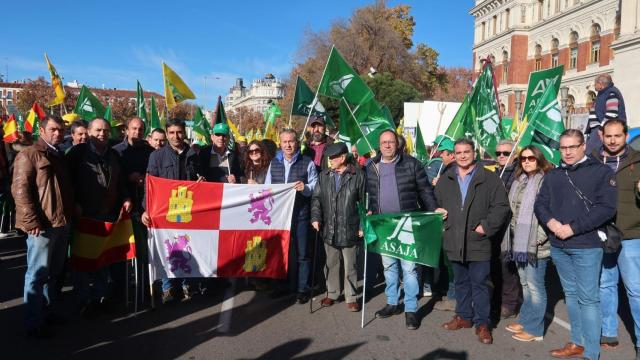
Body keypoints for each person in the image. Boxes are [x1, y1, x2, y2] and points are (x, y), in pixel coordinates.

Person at [534, 129, 616, 360]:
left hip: (587, 245)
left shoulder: (601, 172)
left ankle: (592, 353)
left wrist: (571, 228)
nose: (567, 152)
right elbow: (541, 204)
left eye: (572, 147)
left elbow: (606, 208)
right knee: (571, 294)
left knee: (588, 299)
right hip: (559, 245)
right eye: (563, 148)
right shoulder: (553, 174)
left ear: (583, 147)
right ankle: (576, 343)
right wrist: (551, 222)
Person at [436, 138, 510, 345]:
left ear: (474, 153)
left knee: (480, 284)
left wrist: (485, 227)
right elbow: (436, 201)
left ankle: (483, 323)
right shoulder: (446, 178)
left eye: (466, 152)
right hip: (454, 239)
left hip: (478, 241)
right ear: (454, 154)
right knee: (460, 282)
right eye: (458, 152)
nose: (462, 155)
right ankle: (464, 316)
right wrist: (437, 211)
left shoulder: (489, 178)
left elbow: (501, 207)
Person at [365, 129, 439, 330]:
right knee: (389, 267)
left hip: (406, 223)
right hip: (383, 225)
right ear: (379, 146)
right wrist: (370, 210)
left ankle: (411, 309)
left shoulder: (412, 163)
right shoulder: (371, 166)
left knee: (409, 268)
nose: (387, 145)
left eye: (391, 142)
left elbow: (425, 190)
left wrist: (434, 208)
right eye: (383, 142)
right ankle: (392, 303)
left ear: (397, 144)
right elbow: (369, 193)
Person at [12, 116, 74, 338]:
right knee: (37, 274)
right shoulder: (29, 154)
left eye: (61, 130)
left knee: (53, 274)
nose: (58, 133)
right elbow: (21, 191)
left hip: (61, 223)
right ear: (42, 130)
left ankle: (46, 313)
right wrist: (31, 223)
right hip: (42, 227)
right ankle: (33, 321)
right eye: (53, 129)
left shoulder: (58, 154)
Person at [67, 118, 132, 315]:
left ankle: (100, 299)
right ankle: (84, 302)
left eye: (105, 130)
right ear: (89, 132)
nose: (102, 133)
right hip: (85, 215)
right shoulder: (77, 154)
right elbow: (67, 183)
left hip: (108, 215)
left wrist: (127, 198)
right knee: (85, 262)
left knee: (103, 259)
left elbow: (119, 182)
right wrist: (74, 203)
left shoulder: (113, 154)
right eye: (98, 130)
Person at [591, 119, 640, 352]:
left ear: (626, 135)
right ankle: (608, 332)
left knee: (636, 290)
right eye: (608, 136)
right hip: (601, 234)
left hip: (631, 234)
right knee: (605, 284)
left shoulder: (637, 161)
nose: (612, 140)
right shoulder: (591, 161)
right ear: (601, 136)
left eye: (617, 136)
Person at [141, 119, 200, 304]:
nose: (176, 136)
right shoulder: (156, 156)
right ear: (167, 134)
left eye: (179, 132)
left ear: (185, 133)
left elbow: (200, 181)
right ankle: (167, 287)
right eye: (172, 132)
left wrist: (201, 184)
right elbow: (150, 186)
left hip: (188, 210)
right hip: (164, 211)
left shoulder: (194, 155)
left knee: (185, 247)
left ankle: (185, 284)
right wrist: (146, 210)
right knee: (167, 248)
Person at [502, 145, 552, 342]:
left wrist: (538, 239)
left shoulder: (546, 181)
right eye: (523, 159)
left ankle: (535, 330)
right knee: (525, 284)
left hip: (535, 245)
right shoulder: (520, 180)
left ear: (539, 159)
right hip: (518, 242)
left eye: (531, 158)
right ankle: (525, 320)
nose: (527, 161)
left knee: (535, 287)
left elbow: (550, 213)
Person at [265, 129, 318, 304]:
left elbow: (316, 187)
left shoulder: (307, 163)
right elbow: (267, 188)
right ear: (280, 143)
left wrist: (306, 188)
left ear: (298, 143)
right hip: (280, 217)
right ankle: (281, 286)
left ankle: (303, 288)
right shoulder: (274, 163)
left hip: (301, 215)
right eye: (284, 142)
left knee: (303, 253)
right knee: (280, 252)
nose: (288, 145)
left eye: (291, 141)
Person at [311, 143, 365, 312]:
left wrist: (363, 225)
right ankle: (333, 293)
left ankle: (351, 296)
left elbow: (365, 203)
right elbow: (316, 199)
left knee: (350, 265)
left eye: (333, 158)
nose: (330, 161)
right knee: (331, 263)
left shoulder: (358, 176)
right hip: (329, 227)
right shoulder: (324, 176)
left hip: (350, 227)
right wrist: (315, 217)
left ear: (342, 158)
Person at [112, 117, 154, 295]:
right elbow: (112, 178)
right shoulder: (116, 152)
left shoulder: (150, 151)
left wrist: (146, 178)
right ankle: (120, 289)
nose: (137, 132)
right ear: (126, 130)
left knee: (144, 249)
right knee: (121, 251)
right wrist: (128, 178)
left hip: (145, 206)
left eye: (141, 129)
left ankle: (145, 286)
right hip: (122, 206)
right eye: (134, 129)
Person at [493, 139, 521, 320]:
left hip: (512, 227)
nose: (502, 156)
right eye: (499, 153)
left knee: (508, 267)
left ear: (515, 154)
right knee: (495, 266)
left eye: (506, 153)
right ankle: (497, 299)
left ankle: (510, 303)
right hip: (495, 226)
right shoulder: (494, 173)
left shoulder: (519, 174)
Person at [586, 74, 627, 154]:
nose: (594, 85)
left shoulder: (611, 93)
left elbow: (612, 113)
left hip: (602, 130)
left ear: (601, 84)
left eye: (595, 83)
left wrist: (601, 129)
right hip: (598, 130)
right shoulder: (603, 93)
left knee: (591, 155)